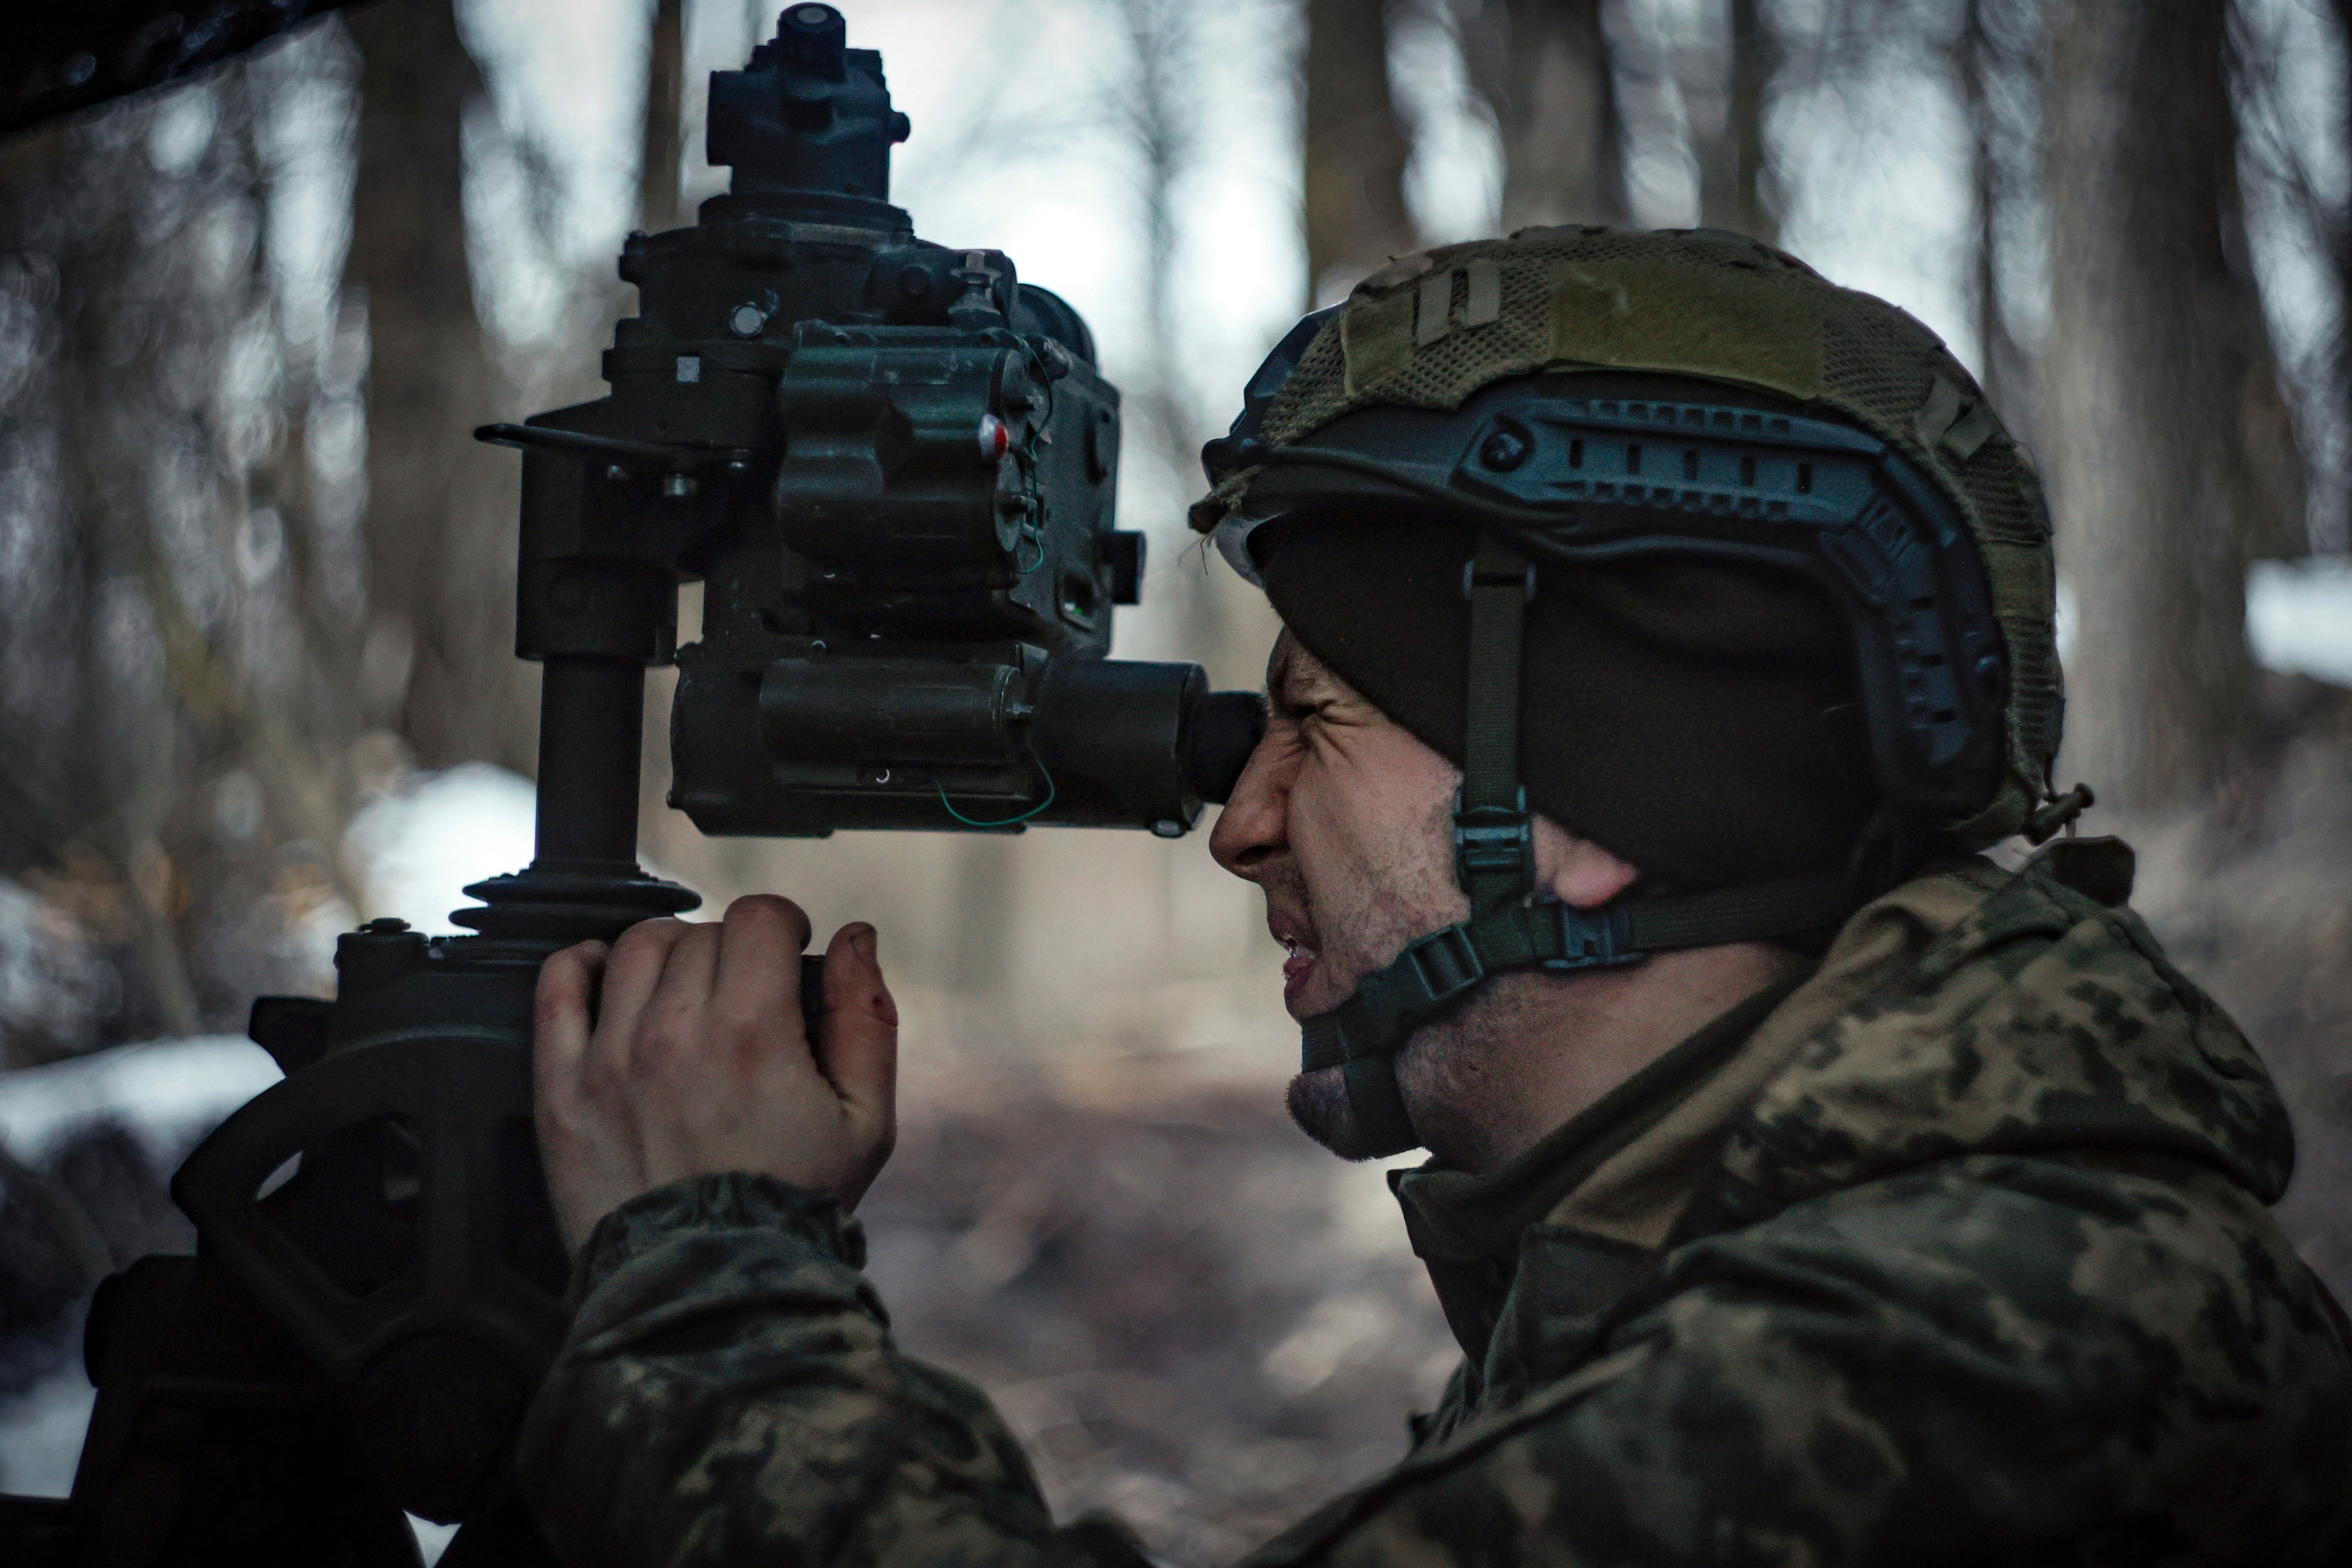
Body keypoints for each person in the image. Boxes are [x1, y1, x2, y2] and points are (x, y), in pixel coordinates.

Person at [516, 227, 2352, 1565]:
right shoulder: (1733, 1237)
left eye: (1315, 718)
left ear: (1593, 812)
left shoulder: (1991, 1339)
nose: (1241, 822)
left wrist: (710, 1273)